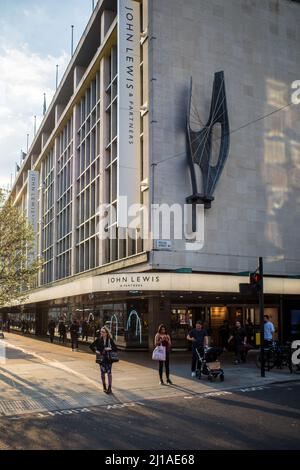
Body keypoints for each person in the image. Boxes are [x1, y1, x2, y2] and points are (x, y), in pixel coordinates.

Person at [90, 326, 118, 394]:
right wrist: (96, 351)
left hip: (108, 359)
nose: (101, 333)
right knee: (102, 374)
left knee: (109, 373)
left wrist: (109, 348)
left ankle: (109, 388)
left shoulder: (110, 340)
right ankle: (104, 386)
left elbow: (115, 348)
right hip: (102, 359)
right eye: (101, 332)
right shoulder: (99, 339)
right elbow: (91, 346)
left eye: (103, 332)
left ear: (106, 333)